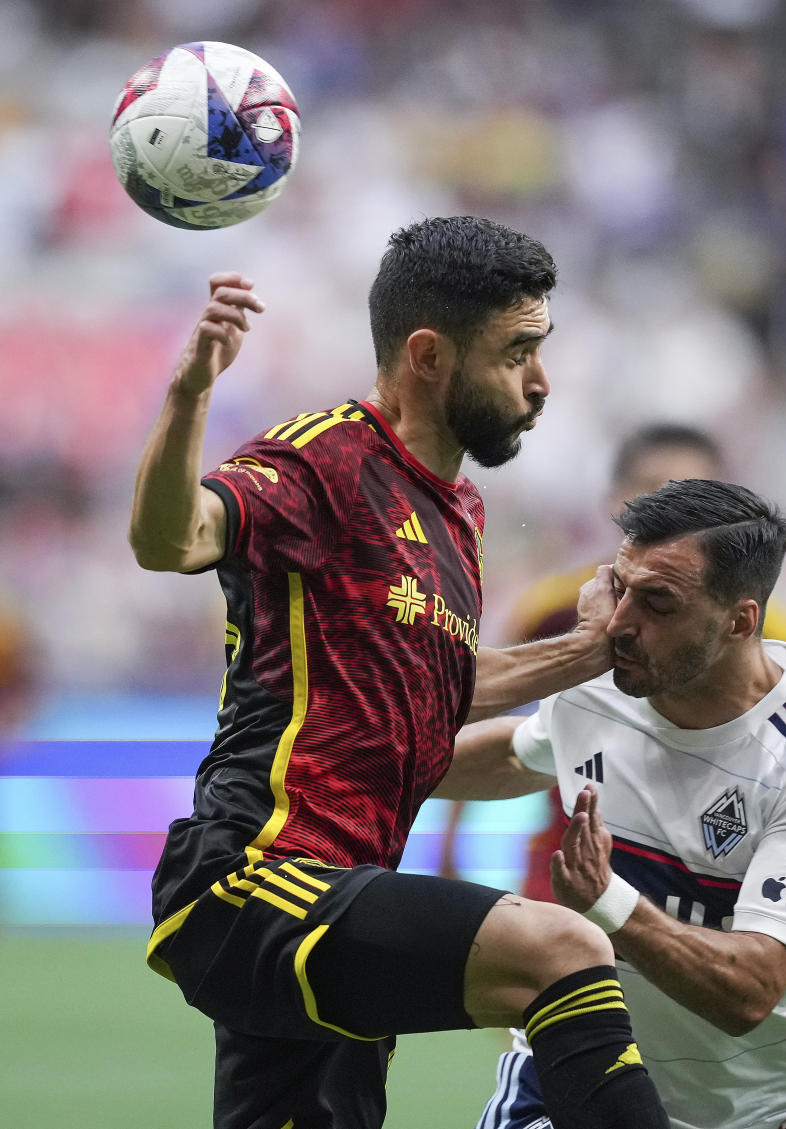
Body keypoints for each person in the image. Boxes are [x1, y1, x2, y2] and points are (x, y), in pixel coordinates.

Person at [128, 216, 668, 1129]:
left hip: (346, 891)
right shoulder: (323, 458)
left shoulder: (458, 510)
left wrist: (589, 653)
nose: (542, 382)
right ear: (428, 354)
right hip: (258, 876)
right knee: (564, 947)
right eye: (517, 352)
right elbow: (169, 539)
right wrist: (187, 398)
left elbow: (431, 686)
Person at [434, 477, 786, 1129]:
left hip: (739, 1110)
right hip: (572, 1068)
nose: (617, 624)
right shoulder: (600, 684)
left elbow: (750, 989)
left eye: (658, 602)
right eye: (620, 587)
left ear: (739, 620)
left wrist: (608, 900)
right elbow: (520, 752)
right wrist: (343, 765)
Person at [438, 423, 786, 897]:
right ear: (618, 498)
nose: (674, 508)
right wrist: (449, 844)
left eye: (697, 493)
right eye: (656, 488)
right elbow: (498, 717)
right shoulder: (551, 607)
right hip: (563, 866)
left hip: (701, 879)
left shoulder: (769, 626)